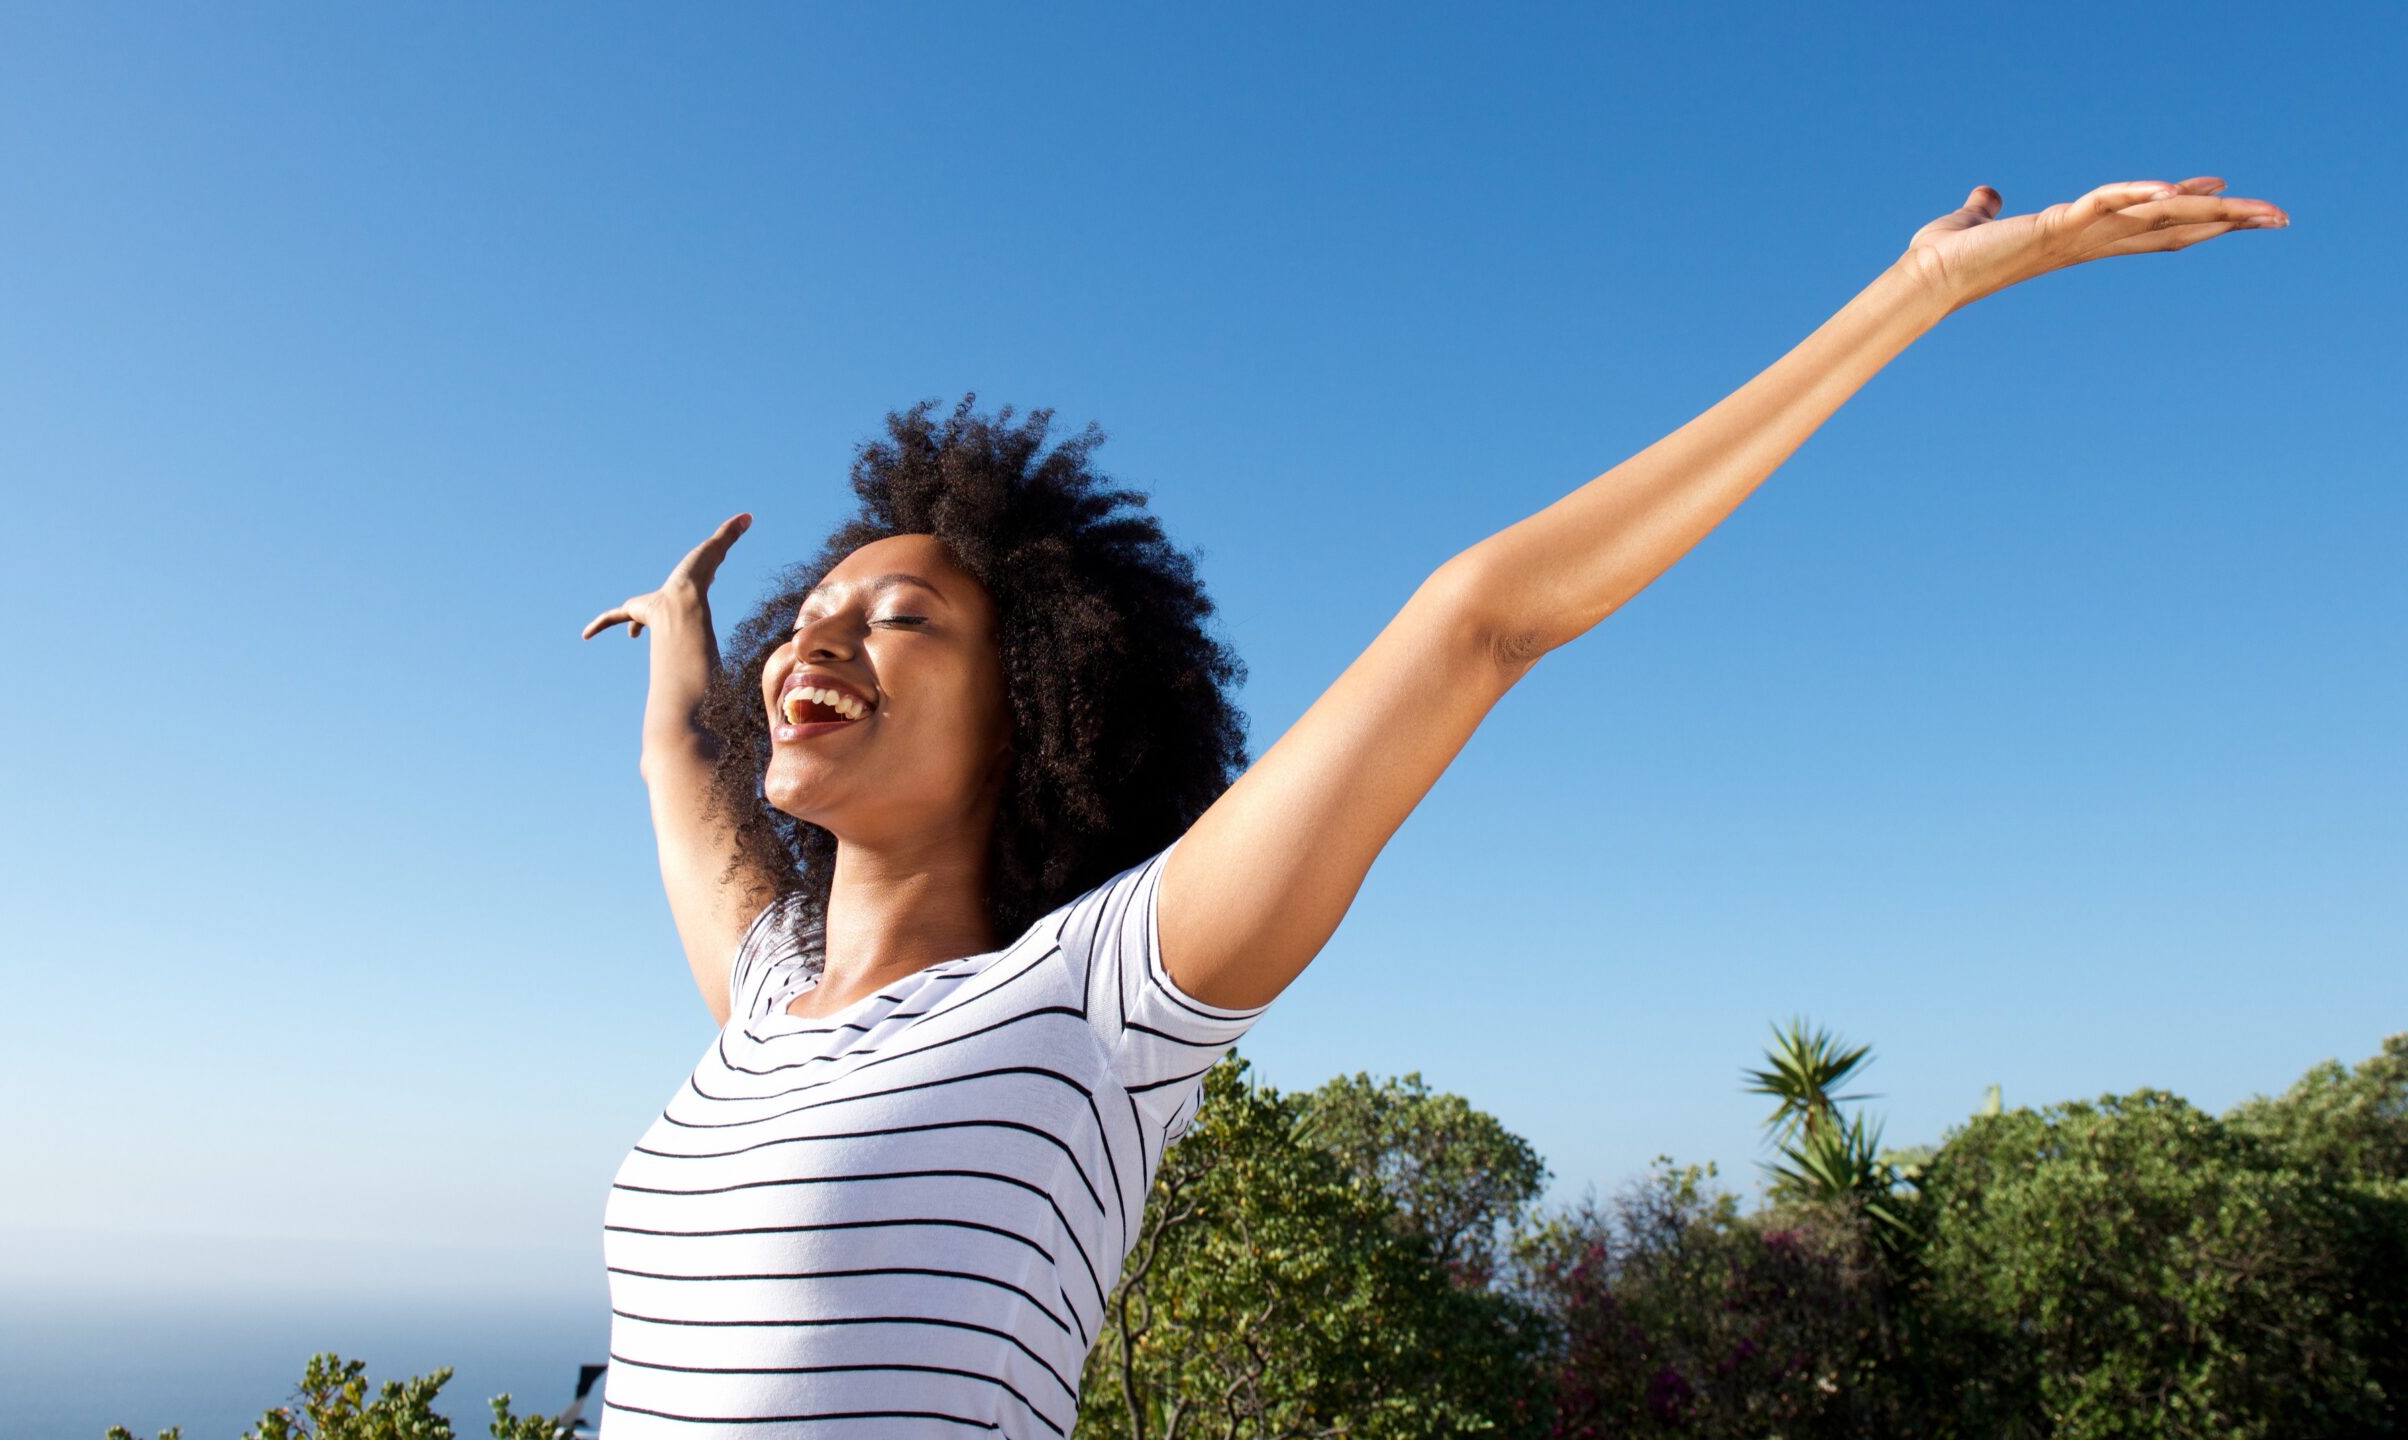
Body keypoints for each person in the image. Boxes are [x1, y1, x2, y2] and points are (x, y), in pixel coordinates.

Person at [579, 176, 2286, 1437]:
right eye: (809, 620)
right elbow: (679, 770)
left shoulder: (1091, 1005)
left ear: (1037, 714)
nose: (822, 639)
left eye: (902, 619)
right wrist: (685, 634)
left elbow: (1481, 621)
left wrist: (1913, 291)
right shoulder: (765, 992)